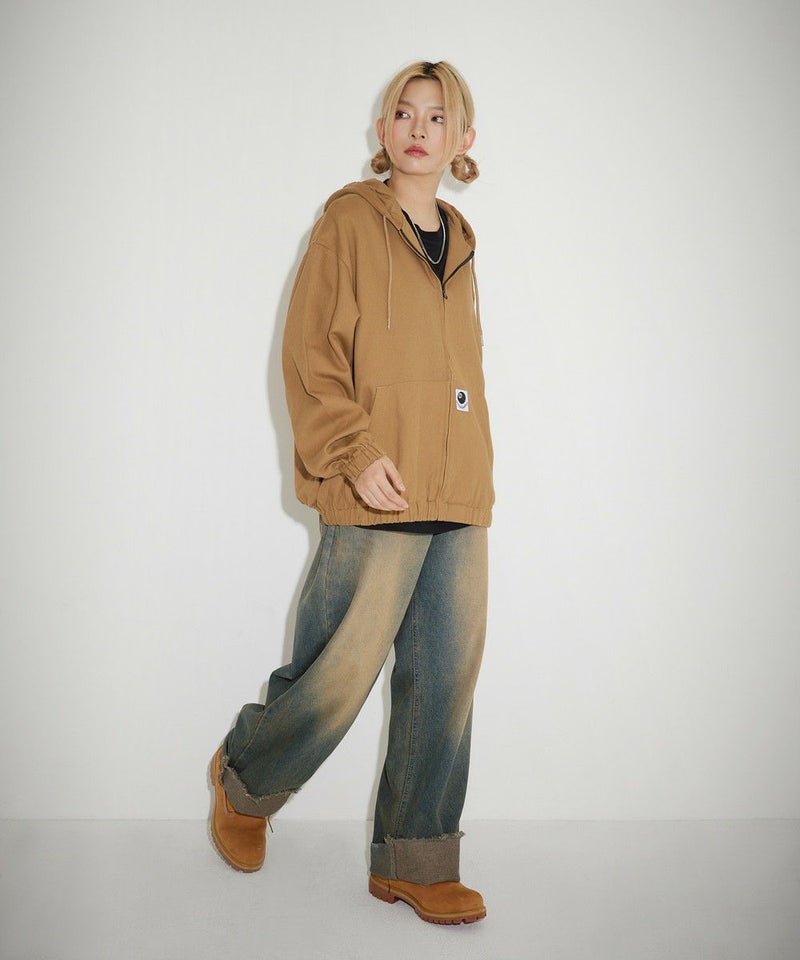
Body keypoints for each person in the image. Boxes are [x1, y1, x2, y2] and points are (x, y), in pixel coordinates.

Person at [209, 60, 494, 926]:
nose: (418, 128)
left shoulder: (462, 238)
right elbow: (311, 354)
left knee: (445, 683)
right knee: (340, 666)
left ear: (463, 138)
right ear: (382, 130)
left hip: (458, 488)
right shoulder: (348, 222)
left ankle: (415, 859)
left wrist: (476, 466)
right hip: (379, 484)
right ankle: (245, 779)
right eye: (403, 113)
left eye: (437, 117)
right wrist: (353, 452)